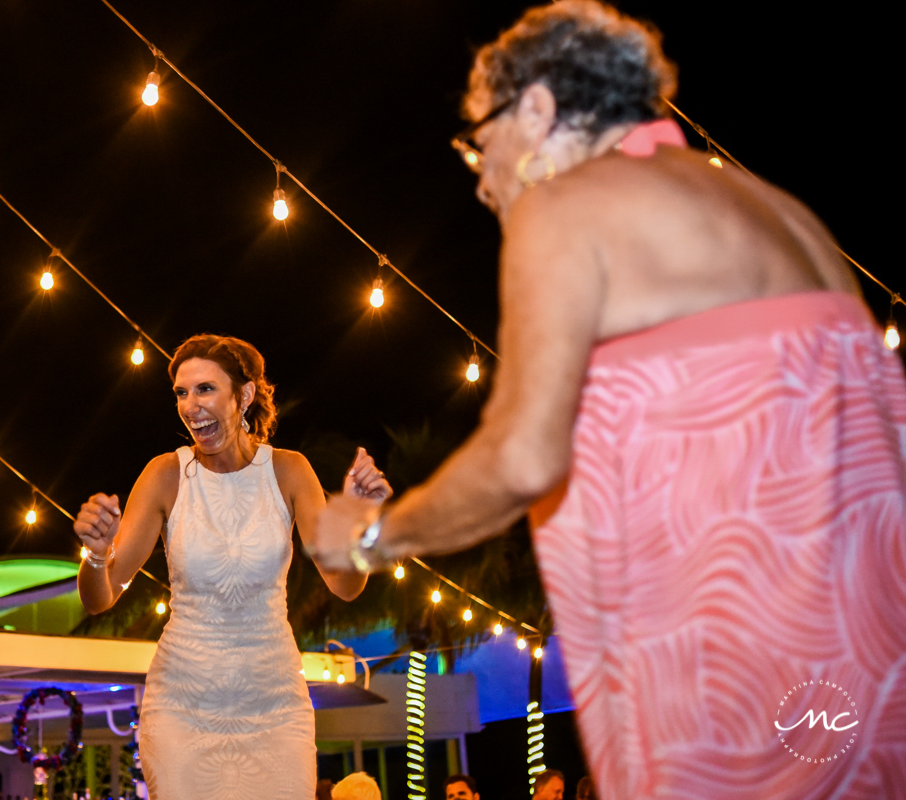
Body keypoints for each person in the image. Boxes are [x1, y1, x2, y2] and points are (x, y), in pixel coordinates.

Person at [314, 2, 906, 799]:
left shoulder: (567, 205)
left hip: (736, 674)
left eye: (479, 143)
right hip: (863, 680)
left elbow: (524, 455)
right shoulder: (783, 217)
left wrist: (372, 537)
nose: (482, 177)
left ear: (538, 109)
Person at [74, 334, 390, 799]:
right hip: (182, 708)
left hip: (275, 708)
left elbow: (344, 585)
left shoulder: (289, 471)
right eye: (181, 393)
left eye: (205, 389)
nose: (190, 405)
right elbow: (100, 597)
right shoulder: (165, 475)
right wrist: (97, 553)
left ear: (243, 396)